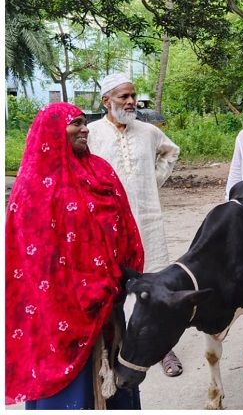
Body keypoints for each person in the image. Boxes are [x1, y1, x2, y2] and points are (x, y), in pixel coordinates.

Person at [6, 103, 145, 409]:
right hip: (58, 313)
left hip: (107, 302)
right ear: (52, 132)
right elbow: (31, 262)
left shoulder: (100, 170)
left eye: (85, 123)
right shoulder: (33, 187)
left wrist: (117, 278)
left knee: (114, 387)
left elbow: (125, 226)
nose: (85, 129)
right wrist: (86, 288)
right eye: (76, 123)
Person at [87, 73, 183, 376]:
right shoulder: (91, 133)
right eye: (123, 97)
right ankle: (117, 347)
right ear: (106, 101)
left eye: (133, 96)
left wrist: (154, 180)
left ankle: (164, 348)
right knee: (114, 285)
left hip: (146, 218)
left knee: (154, 281)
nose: (131, 102)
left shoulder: (148, 131)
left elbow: (172, 151)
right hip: (107, 225)